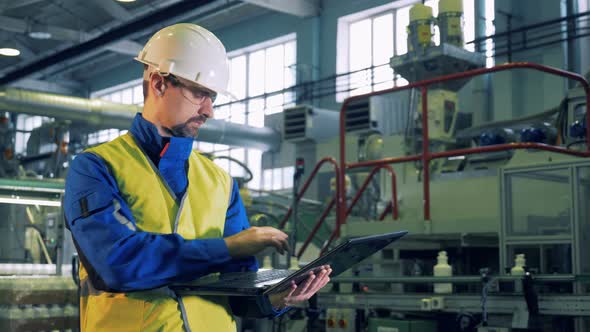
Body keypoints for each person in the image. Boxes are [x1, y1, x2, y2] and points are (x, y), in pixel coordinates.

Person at [64, 23, 332, 331]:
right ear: (158, 83)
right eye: (199, 93)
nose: (209, 111)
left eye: (212, 97)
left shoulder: (221, 182)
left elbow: (237, 289)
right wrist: (228, 247)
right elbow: (117, 264)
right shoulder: (96, 167)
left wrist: (277, 298)